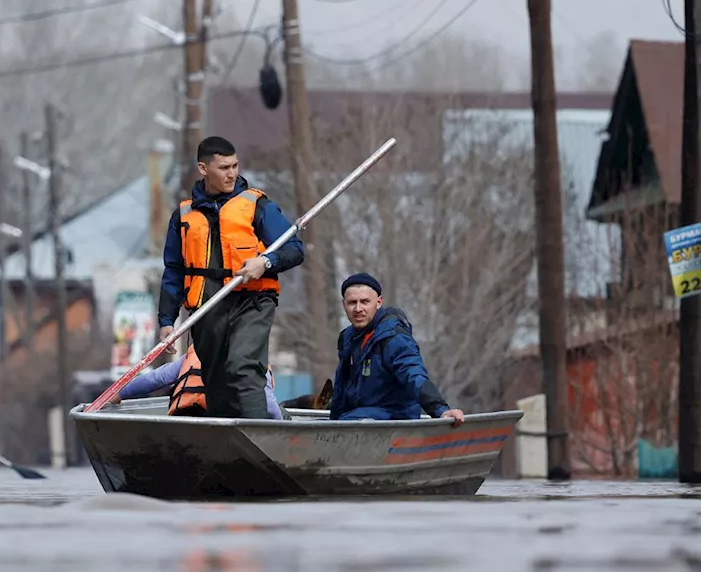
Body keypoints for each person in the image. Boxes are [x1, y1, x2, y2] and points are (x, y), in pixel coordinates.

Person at [158, 136, 305, 419]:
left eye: (235, 166)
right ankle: (231, 448)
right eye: (224, 167)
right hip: (206, 307)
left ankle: (261, 439)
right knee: (217, 382)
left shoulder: (256, 205)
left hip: (252, 300)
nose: (232, 173)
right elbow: (174, 270)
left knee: (242, 366)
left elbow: (294, 249)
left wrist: (265, 262)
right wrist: (166, 320)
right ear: (203, 169)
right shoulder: (183, 215)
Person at [328, 273, 465, 426]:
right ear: (343, 305)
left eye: (365, 302)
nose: (358, 309)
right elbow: (343, 387)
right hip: (359, 414)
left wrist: (440, 409)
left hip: (395, 416)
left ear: (379, 302)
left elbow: (414, 374)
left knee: (348, 424)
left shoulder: (393, 337)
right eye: (352, 303)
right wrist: (333, 419)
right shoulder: (347, 338)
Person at [110, 343, 285, 420]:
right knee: (283, 413)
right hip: (220, 425)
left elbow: (156, 378)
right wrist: (280, 427)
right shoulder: (255, 361)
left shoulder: (196, 354)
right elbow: (269, 406)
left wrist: (120, 393)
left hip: (183, 417)